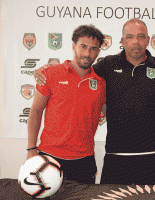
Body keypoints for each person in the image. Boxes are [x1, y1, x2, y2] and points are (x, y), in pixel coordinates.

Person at [34, 18, 155, 185]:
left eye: (141, 37)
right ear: (122, 41)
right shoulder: (108, 65)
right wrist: (46, 70)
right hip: (115, 157)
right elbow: (80, 72)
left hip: (152, 156)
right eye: (130, 37)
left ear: (148, 40)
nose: (136, 42)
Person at [27, 25, 106, 184]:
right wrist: (31, 149)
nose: (87, 53)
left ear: (98, 52)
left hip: (84, 160)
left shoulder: (101, 83)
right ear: (73, 46)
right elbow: (35, 111)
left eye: (93, 49)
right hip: (49, 157)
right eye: (83, 46)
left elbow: (105, 109)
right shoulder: (51, 73)